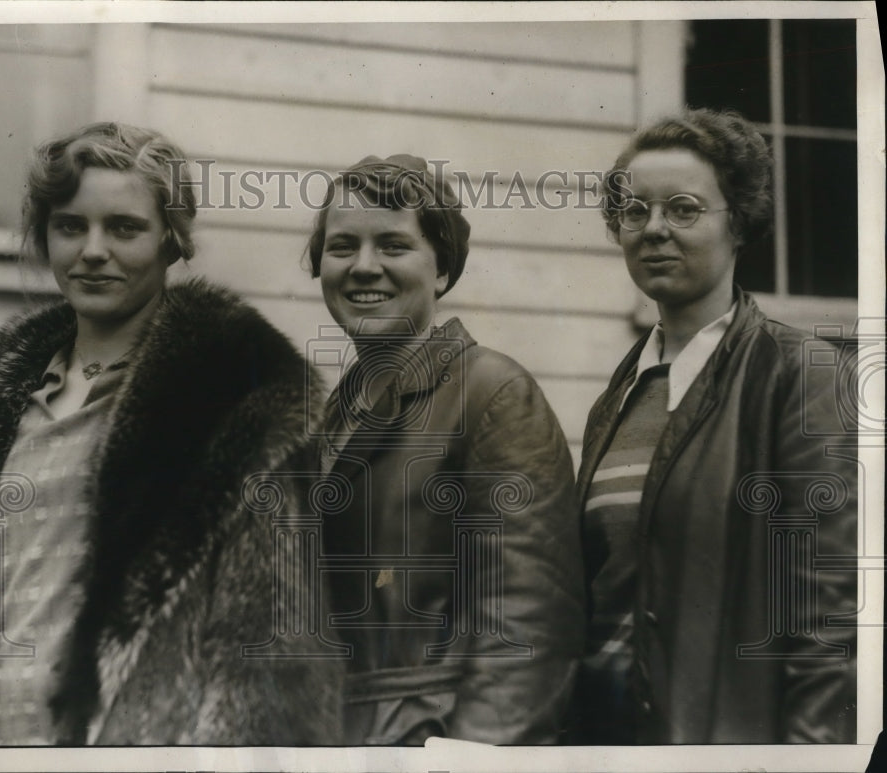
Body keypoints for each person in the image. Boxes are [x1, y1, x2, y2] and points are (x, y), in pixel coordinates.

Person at [0, 122, 341, 745]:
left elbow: (273, 648)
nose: (93, 250)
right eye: (70, 226)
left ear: (173, 242)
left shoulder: (238, 397)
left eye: (124, 228)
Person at [574, 108, 857, 744]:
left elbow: (827, 621)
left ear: (740, 222)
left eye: (683, 208)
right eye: (635, 211)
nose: (654, 230)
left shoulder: (798, 378)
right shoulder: (617, 399)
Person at [307, 154, 585, 745]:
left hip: (429, 743)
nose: (363, 267)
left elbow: (529, 629)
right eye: (341, 247)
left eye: (393, 245)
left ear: (441, 271)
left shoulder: (490, 393)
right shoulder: (328, 417)